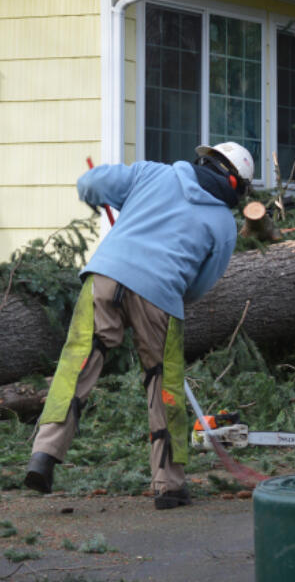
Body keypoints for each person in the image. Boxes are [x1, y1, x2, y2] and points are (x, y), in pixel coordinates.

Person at [24, 142, 254, 509]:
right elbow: (200, 284)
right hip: (161, 295)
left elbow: (90, 183)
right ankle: (169, 485)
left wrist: (100, 197)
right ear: (236, 186)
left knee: (77, 364)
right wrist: (165, 294)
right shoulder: (224, 224)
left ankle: (44, 455)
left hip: (105, 275)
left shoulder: (153, 173)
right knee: (164, 385)